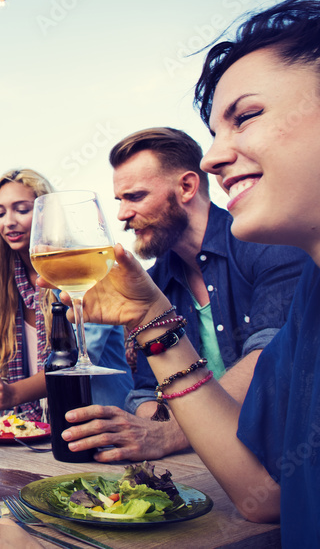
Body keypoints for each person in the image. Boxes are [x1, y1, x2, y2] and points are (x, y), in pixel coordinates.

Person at [0, 0, 320, 545]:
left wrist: (161, 434)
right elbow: (265, 494)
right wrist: (153, 318)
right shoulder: (282, 299)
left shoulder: (282, 256)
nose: (212, 156)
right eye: (214, 132)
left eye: (246, 117)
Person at [64, 128, 307, 462]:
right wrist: (149, 428)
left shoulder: (269, 244)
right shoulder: (153, 282)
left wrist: (171, 432)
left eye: (134, 197)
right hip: (200, 462)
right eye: (119, 200)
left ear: (187, 187)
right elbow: (149, 390)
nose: (121, 214)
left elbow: (272, 361)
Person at [0, 169, 131, 421]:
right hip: (42, 431)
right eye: (0, 213)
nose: (8, 222)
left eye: (21, 210)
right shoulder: (5, 288)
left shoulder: (84, 270)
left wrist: (12, 394)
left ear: (46, 216)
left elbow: (77, 362)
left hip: (105, 420)